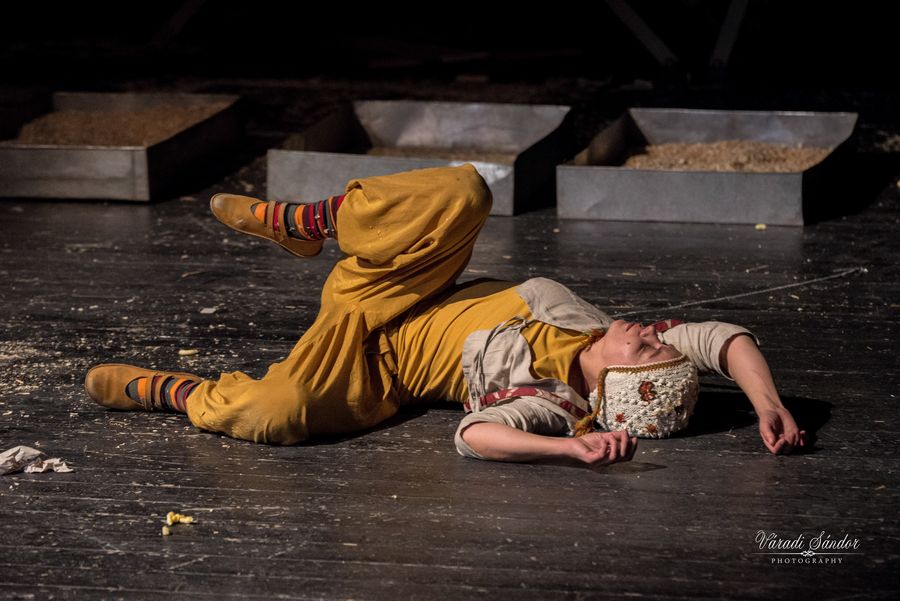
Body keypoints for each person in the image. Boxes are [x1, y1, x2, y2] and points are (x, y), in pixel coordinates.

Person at [84, 164, 807, 465]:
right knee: (466, 190)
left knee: (280, 412)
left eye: (647, 347)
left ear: (620, 385)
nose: (650, 330)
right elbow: (723, 339)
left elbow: (473, 434)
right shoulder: (600, 331)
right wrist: (767, 403)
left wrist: (567, 449)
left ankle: (171, 391)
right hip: (405, 282)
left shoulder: (555, 403)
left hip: (373, 366)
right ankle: (308, 222)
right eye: (657, 338)